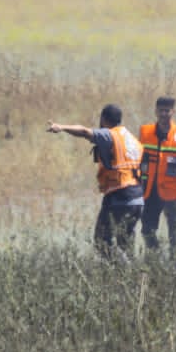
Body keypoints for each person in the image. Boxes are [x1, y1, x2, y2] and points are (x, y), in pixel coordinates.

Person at [47, 104, 144, 259]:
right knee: (125, 243)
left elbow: (84, 131)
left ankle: (121, 268)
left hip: (119, 196)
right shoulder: (131, 139)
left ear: (103, 119)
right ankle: (132, 271)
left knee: (101, 241)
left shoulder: (109, 134)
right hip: (138, 199)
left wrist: (61, 127)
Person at [138, 96, 176, 254]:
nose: (164, 114)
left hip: (175, 194)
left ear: (173, 112)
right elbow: (138, 161)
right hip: (150, 192)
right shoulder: (145, 132)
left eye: (167, 111)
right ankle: (155, 261)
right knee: (147, 231)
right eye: (161, 111)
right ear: (155, 112)